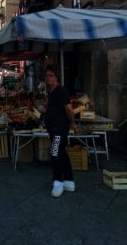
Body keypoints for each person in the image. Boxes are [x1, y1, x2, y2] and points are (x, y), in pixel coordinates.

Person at [45, 65, 77, 198]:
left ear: (56, 77)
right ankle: (69, 181)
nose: (48, 78)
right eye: (46, 75)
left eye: (51, 75)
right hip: (53, 127)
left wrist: (73, 123)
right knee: (61, 152)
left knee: (55, 152)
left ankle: (58, 181)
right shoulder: (51, 91)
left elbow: (68, 109)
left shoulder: (61, 90)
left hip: (60, 128)